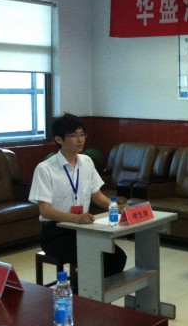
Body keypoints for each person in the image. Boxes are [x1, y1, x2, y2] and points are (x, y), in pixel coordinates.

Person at [29, 113, 127, 290]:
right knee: (93, 257)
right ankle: (80, 295)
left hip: (83, 230)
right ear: (59, 139)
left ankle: (85, 291)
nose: (80, 140)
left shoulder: (87, 162)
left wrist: (114, 207)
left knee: (117, 258)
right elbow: (45, 210)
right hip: (56, 234)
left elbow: (96, 194)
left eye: (82, 134)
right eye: (74, 135)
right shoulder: (45, 169)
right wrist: (75, 218)